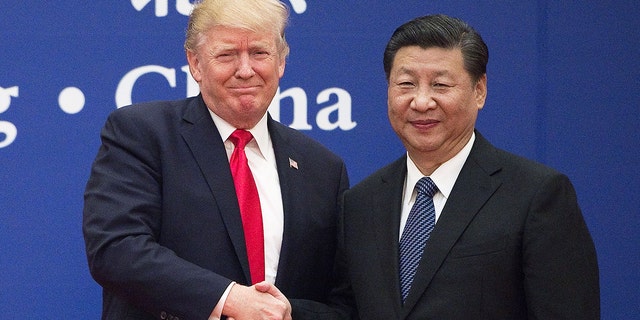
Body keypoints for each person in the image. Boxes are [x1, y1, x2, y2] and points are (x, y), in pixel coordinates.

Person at [82, 0, 349, 319]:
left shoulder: (323, 168)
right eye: (227, 54)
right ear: (195, 63)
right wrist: (230, 299)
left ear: (281, 62)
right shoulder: (143, 133)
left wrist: (285, 312)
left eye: (260, 53)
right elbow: (116, 250)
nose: (246, 70)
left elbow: (342, 302)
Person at [328, 14, 600, 319]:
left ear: (479, 91)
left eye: (440, 85)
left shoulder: (536, 196)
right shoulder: (360, 204)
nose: (421, 101)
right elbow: (347, 312)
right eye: (406, 84)